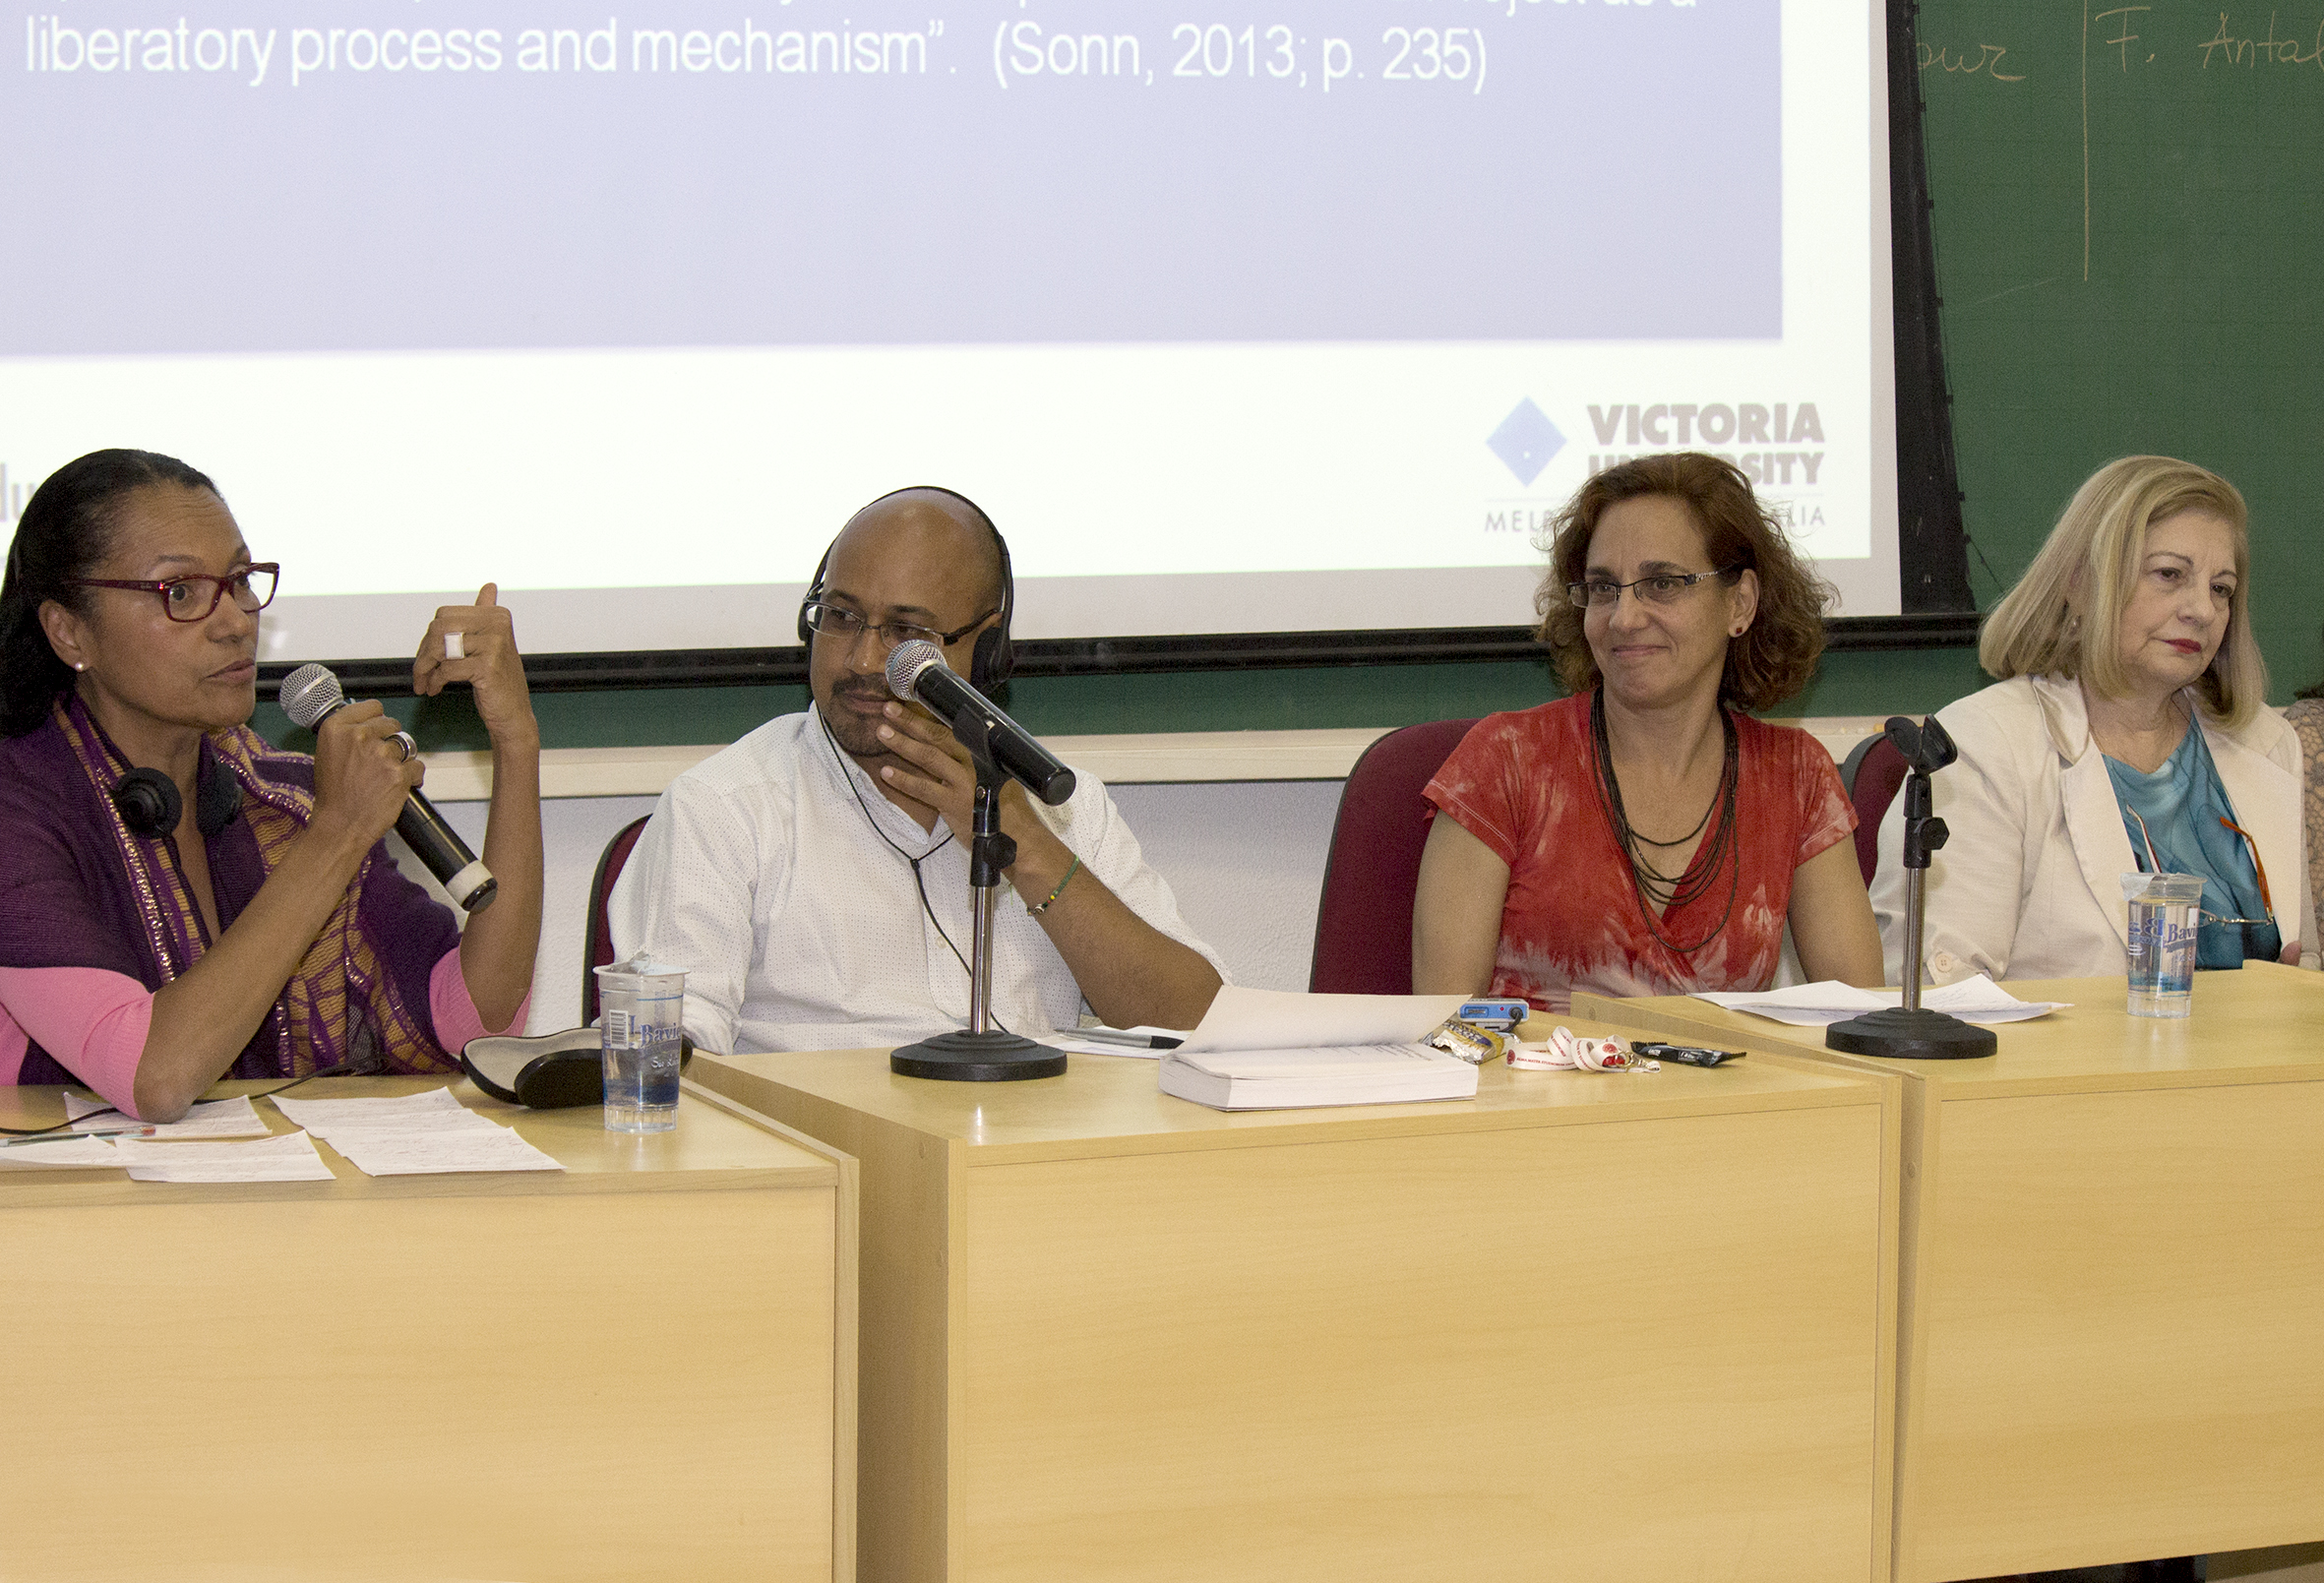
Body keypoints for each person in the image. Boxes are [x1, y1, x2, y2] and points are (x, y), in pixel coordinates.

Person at [0, 450, 543, 1123]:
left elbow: (470, 1019)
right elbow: (153, 1075)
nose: (234, 620)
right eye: (181, 592)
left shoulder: (274, 796)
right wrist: (338, 835)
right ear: (68, 630)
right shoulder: (18, 803)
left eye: (240, 580)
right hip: (55, 1213)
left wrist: (516, 742)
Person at [607, 486, 1224, 1053]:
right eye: (841, 616)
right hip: (835, 1157)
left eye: (908, 632)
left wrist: (1028, 846)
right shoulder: (726, 808)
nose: (864, 657)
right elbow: (667, 1064)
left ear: (986, 649)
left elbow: (1194, 1025)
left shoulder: (1063, 806)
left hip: (1021, 1154)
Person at [1412, 453, 1883, 1011]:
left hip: (1720, 1100)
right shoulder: (1505, 763)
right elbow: (1443, 1028)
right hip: (1529, 1092)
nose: (1624, 617)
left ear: (1740, 602)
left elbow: (1861, 1022)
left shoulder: (1795, 776)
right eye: (1604, 588)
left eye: (1661, 584)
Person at [1872, 455, 2312, 983]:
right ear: (2081, 584)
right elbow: (1942, 993)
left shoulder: (2266, 743)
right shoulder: (1983, 743)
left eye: (2221, 588)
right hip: (2059, 1065)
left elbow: (2300, 962)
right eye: (2170, 575)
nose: (2203, 609)